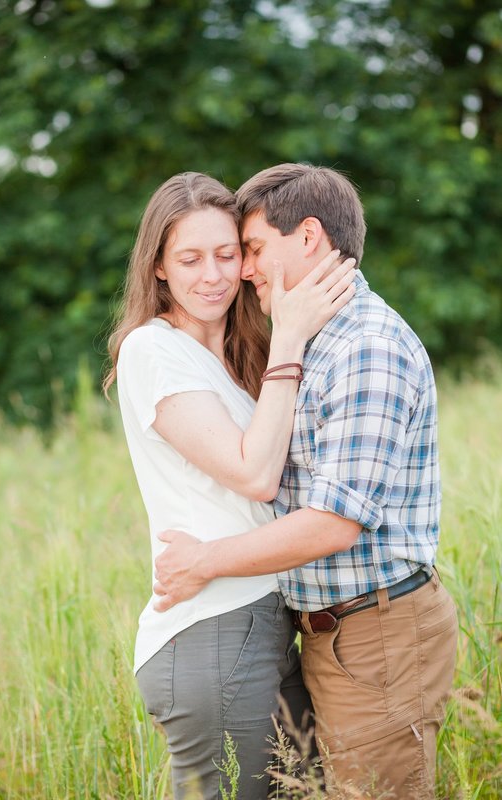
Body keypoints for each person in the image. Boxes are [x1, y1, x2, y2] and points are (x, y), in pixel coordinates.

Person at [152, 163, 458, 799]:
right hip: (332, 633)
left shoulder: (365, 347)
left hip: (378, 635)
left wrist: (203, 561)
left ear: (310, 237)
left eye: (254, 248)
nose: (244, 270)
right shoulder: (316, 342)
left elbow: (333, 522)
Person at [104, 172, 355, 799]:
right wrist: (292, 338)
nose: (213, 274)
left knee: (304, 789)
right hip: (207, 626)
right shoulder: (151, 350)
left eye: (228, 253)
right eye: (190, 259)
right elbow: (254, 474)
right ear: (158, 267)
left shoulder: (243, 358)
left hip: (263, 618)